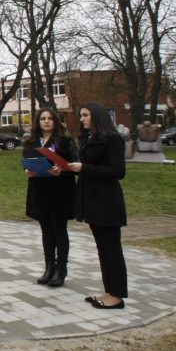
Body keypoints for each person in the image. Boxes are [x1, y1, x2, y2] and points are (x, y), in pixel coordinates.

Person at [68, 102, 128, 310]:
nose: (82, 118)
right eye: (81, 115)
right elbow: (88, 167)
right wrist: (73, 168)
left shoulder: (113, 139)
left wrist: (85, 167)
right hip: (91, 199)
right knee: (102, 249)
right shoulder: (88, 138)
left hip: (107, 201)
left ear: (97, 116)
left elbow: (117, 171)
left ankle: (117, 296)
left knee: (112, 249)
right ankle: (109, 291)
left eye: (85, 115)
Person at [22, 108, 78, 287]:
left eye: (50, 119)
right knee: (46, 231)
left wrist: (61, 170)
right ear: (38, 122)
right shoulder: (31, 142)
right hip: (40, 191)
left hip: (60, 191)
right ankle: (49, 267)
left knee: (59, 231)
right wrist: (28, 171)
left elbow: (74, 165)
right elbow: (28, 161)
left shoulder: (65, 141)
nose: (46, 121)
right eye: (43, 119)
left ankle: (61, 269)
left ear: (55, 121)